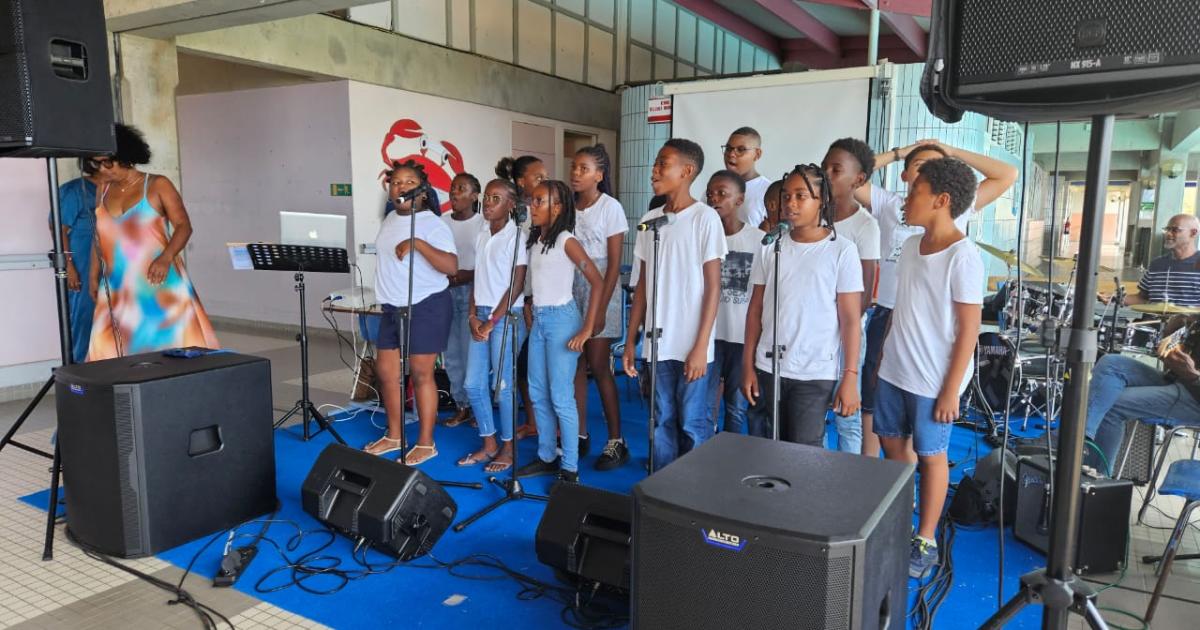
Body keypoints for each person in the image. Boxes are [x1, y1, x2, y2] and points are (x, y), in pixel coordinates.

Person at [853, 139, 1017, 458]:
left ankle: (909, 482)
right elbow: (853, 175)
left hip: (934, 326)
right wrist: (902, 152)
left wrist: (953, 152)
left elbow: (1007, 174)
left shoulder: (961, 209)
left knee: (924, 431)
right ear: (905, 175)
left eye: (937, 165)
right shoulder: (891, 203)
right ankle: (874, 472)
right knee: (877, 406)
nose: (928, 169)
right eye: (921, 165)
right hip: (891, 315)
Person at [874, 157, 983, 578]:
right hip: (895, 369)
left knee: (931, 455)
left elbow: (969, 329)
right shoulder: (913, 247)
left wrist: (951, 389)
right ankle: (902, 518)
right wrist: (884, 353)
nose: (905, 199)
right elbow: (905, 309)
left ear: (941, 199)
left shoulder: (963, 256)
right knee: (892, 446)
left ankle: (926, 537)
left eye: (915, 192)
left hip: (932, 379)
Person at [623, 139, 727, 470]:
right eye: (655, 164)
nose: (654, 171)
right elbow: (640, 287)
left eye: (662, 164)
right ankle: (662, 494)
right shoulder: (650, 220)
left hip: (691, 345)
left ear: (687, 171)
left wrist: (700, 346)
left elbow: (713, 288)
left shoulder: (705, 218)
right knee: (660, 421)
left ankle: (692, 496)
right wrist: (630, 340)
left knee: (692, 424)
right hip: (657, 343)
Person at [740, 165, 862, 446]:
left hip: (814, 373)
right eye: (786, 196)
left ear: (823, 201)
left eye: (801, 196)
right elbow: (756, 309)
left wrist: (850, 376)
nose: (790, 204)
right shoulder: (771, 245)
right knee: (765, 448)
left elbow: (850, 320)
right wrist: (747, 365)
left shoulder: (842, 250)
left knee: (804, 453)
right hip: (768, 367)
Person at [86, 124, 219, 360]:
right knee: (112, 352)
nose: (102, 169)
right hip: (118, 287)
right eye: (97, 163)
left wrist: (166, 257)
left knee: (169, 349)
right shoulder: (103, 191)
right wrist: (93, 274)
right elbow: (98, 236)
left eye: (108, 162)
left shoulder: (158, 185)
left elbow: (183, 226)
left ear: (125, 157)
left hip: (156, 282)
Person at [365, 160, 458, 465]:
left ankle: (426, 443)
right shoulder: (390, 220)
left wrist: (419, 244)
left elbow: (451, 267)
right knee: (387, 374)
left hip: (427, 305)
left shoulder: (433, 224)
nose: (400, 187)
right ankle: (394, 435)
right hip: (392, 306)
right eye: (395, 182)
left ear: (422, 191)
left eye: (408, 182)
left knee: (421, 375)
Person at [516, 180, 605, 484]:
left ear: (559, 207)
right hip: (540, 320)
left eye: (540, 201)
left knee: (560, 396)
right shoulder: (536, 241)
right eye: (533, 201)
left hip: (562, 320)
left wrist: (587, 328)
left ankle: (569, 467)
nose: (533, 207)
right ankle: (546, 456)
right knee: (537, 391)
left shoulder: (567, 240)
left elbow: (598, 281)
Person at [459, 179, 528, 473]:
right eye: (487, 197)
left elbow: (517, 283)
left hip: (506, 317)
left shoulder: (517, 238)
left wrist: (492, 321)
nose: (488, 202)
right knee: (473, 383)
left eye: (496, 198)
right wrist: (473, 316)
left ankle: (509, 448)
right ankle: (489, 444)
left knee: (502, 386)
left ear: (511, 205)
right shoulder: (482, 232)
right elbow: (479, 278)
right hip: (481, 314)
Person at [569, 144, 630, 470]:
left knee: (599, 363)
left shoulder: (611, 208)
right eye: (574, 167)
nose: (576, 173)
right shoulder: (568, 206)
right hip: (572, 291)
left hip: (602, 290)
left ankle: (616, 440)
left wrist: (600, 310)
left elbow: (615, 263)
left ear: (600, 175)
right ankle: (579, 433)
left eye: (583, 168)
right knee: (574, 364)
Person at [824, 138, 881, 454]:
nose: (827, 174)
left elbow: (864, 290)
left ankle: (849, 481)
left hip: (846, 334)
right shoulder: (813, 216)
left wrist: (841, 328)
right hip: (813, 333)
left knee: (846, 411)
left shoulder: (864, 225)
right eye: (825, 167)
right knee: (814, 412)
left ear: (858, 180)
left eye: (836, 169)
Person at [1085, 316, 1200, 469]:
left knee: (1112, 406)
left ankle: (1096, 477)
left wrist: (1193, 376)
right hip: (1183, 380)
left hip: (1195, 400)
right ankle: (1085, 434)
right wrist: (1173, 332)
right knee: (1111, 363)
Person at [495, 156, 550, 443]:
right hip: (511, 297)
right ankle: (530, 421)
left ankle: (541, 423)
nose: (544, 181)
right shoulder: (513, 214)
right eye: (537, 177)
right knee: (520, 366)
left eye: (545, 176)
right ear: (520, 182)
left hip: (533, 299)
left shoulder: (543, 214)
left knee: (533, 366)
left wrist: (530, 299)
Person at [707, 170, 763, 435]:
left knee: (736, 406)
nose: (714, 199)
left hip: (742, 337)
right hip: (709, 335)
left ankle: (730, 460)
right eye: (710, 194)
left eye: (722, 194)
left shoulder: (757, 240)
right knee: (704, 404)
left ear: (740, 200)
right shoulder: (704, 237)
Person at [441, 173, 486, 427]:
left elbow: (489, 263)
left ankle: (480, 407)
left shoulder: (484, 224)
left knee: (473, 354)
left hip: (473, 293)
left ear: (474, 195)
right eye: (452, 188)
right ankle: (462, 405)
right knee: (453, 354)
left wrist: (465, 275)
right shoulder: (441, 223)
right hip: (446, 292)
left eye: (461, 188)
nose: (454, 193)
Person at [52, 160, 100, 363]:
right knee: (83, 318)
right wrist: (69, 266)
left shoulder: (115, 190)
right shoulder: (74, 191)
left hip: (110, 263)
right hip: (81, 263)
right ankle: (79, 369)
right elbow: (58, 228)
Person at [1107, 214, 1200, 307]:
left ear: (1193, 233)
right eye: (1167, 229)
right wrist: (1113, 299)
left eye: (1175, 230)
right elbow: (1142, 298)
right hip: (1152, 321)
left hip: (1188, 321)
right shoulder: (1157, 264)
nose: (1168, 234)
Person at [722, 127, 772, 228]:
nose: (731, 154)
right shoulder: (714, 190)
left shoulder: (769, 192)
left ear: (757, 154)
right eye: (728, 148)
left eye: (740, 150)